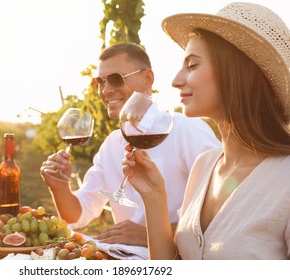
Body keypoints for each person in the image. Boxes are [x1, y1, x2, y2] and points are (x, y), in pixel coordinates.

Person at [122, 2, 290, 259]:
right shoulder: (204, 165)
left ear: (236, 73)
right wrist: (154, 196)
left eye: (192, 65)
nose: (176, 80)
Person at [40, 42, 221, 248]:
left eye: (116, 79)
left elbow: (224, 211)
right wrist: (60, 187)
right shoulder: (111, 145)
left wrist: (149, 234)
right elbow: (77, 216)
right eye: (100, 82)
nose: (106, 90)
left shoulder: (186, 130)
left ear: (147, 79)